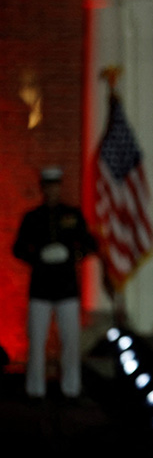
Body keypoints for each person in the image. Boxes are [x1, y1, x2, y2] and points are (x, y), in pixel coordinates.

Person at [13, 166, 97, 402]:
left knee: (70, 341)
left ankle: (71, 388)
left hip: (66, 288)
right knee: (36, 341)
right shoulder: (32, 217)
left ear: (60, 187)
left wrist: (71, 255)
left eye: (55, 185)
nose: (52, 190)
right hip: (40, 288)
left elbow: (89, 244)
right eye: (48, 186)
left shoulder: (73, 214)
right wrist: (38, 255)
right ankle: (35, 389)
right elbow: (18, 248)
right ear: (43, 188)